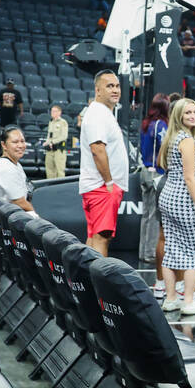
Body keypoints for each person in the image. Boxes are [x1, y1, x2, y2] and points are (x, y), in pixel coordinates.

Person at [157, 98, 195, 314]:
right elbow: (190, 179)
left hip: (168, 196)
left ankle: (170, 299)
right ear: (179, 115)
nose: (193, 116)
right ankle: (188, 301)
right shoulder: (187, 140)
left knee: (172, 249)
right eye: (188, 112)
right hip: (183, 199)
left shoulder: (172, 137)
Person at [79, 70, 129, 255]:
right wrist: (109, 182)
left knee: (94, 237)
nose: (115, 90)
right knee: (101, 238)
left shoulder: (102, 113)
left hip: (100, 186)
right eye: (110, 86)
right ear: (98, 90)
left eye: (117, 86)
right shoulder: (98, 114)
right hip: (102, 186)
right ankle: (99, 284)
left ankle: (85, 282)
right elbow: (97, 149)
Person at [0, 125, 34, 212]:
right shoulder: (6, 167)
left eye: (22, 141)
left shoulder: (15, 164)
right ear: (4, 145)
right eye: (15, 142)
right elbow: (20, 202)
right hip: (8, 218)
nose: (20, 145)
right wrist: (39, 217)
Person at [140, 93, 170, 170]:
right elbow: (166, 148)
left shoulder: (146, 122)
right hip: (158, 169)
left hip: (146, 167)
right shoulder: (161, 125)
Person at [43, 104, 69, 179]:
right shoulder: (51, 122)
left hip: (59, 149)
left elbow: (64, 136)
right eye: (51, 111)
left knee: (60, 170)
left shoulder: (63, 122)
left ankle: (60, 188)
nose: (52, 113)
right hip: (50, 149)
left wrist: (52, 142)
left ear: (59, 112)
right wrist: (47, 142)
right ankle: (50, 187)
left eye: (54, 111)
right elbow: (49, 135)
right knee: (49, 169)